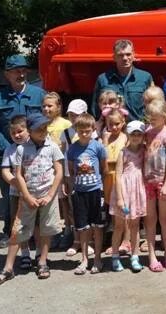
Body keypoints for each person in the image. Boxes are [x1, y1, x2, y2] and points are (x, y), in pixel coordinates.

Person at [0, 114, 64, 285]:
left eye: (45, 128)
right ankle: (8, 268)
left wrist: (51, 194)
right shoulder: (21, 149)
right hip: (28, 196)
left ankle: (43, 261)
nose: (43, 131)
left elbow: (59, 172)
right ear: (30, 131)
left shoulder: (52, 146)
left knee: (46, 229)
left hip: (48, 196)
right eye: (39, 129)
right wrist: (27, 196)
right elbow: (18, 175)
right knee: (18, 230)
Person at [0, 54, 45, 247]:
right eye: (16, 71)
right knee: (10, 194)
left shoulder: (38, 94)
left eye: (23, 70)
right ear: (6, 74)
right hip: (8, 156)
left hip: (34, 154)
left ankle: (35, 234)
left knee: (34, 192)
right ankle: (10, 232)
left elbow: (46, 121)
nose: (21, 74)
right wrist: (7, 148)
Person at [66, 113, 108, 275]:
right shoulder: (73, 149)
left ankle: (97, 258)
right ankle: (84, 259)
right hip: (80, 193)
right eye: (81, 130)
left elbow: (104, 168)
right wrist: (73, 187)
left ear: (93, 130)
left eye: (88, 131)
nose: (84, 133)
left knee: (97, 227)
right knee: (82, 228)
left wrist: (100, 186)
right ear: (76, 130)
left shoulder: (97, 147)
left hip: (95, 192)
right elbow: (71, 170)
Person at [142, 101, 166, 271]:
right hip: (147, 182)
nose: (151, 121)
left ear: (164, 117)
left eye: (155, 118)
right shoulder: (145, 133)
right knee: (150, 220)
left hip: (163, 182)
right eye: (150, 118)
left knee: (164, 219)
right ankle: (152, 256)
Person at [111, 120, 147, 273]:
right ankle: (114, 256)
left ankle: (134, 256)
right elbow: (118, 176)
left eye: (139, 134)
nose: (136, 137)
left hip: (137, 191)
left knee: (135, 225)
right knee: (119, 226)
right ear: (128, 135)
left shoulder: (144, 150)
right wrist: (119, 198)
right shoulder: (123, 152)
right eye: (134, 134)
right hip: (125, 190)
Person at [0, 115, 33, 271]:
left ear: (28, 130)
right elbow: (6, 172)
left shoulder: (34, 146)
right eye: (14, 133)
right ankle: (25, 253)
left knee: (37, 224)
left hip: (36, 190)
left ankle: (39, 253)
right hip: (16, 193)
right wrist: (17, 184)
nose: (17, 135)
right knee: (19, 225)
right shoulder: (9, 150)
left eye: (20, 131)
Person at [92, 40, 153, 122]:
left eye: (128, 54)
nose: (125, 58)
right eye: (120, 55)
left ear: (133, 55)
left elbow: (153, 106)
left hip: (137, 131)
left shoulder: (145, 77)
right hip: (112, 129)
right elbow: (95, 109)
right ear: (114, 57)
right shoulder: (103, 79)